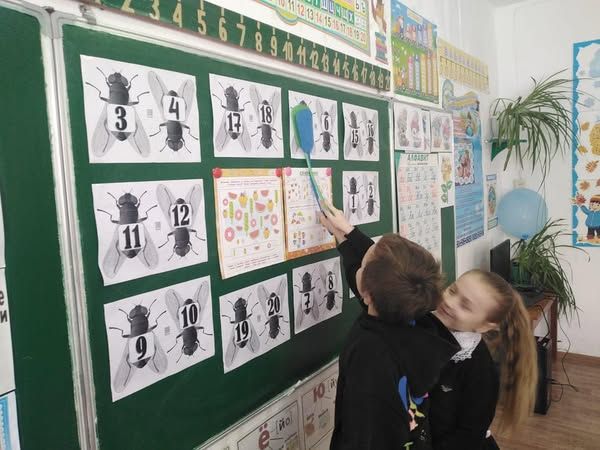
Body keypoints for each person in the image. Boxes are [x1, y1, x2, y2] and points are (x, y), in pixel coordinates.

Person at [320, 203, 459, 450]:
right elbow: (377, 272)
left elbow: (362, 434)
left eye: (362, 267)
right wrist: (347, 234)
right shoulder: (412, 319)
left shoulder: (371, 354)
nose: (358, 267)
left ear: (367, 294)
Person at [428, 269, 538, 450]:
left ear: (484, 326)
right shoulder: (423, 321)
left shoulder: (480, 370)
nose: (449, 302)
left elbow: (469, 435)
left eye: (465, 306)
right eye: (453, 291)